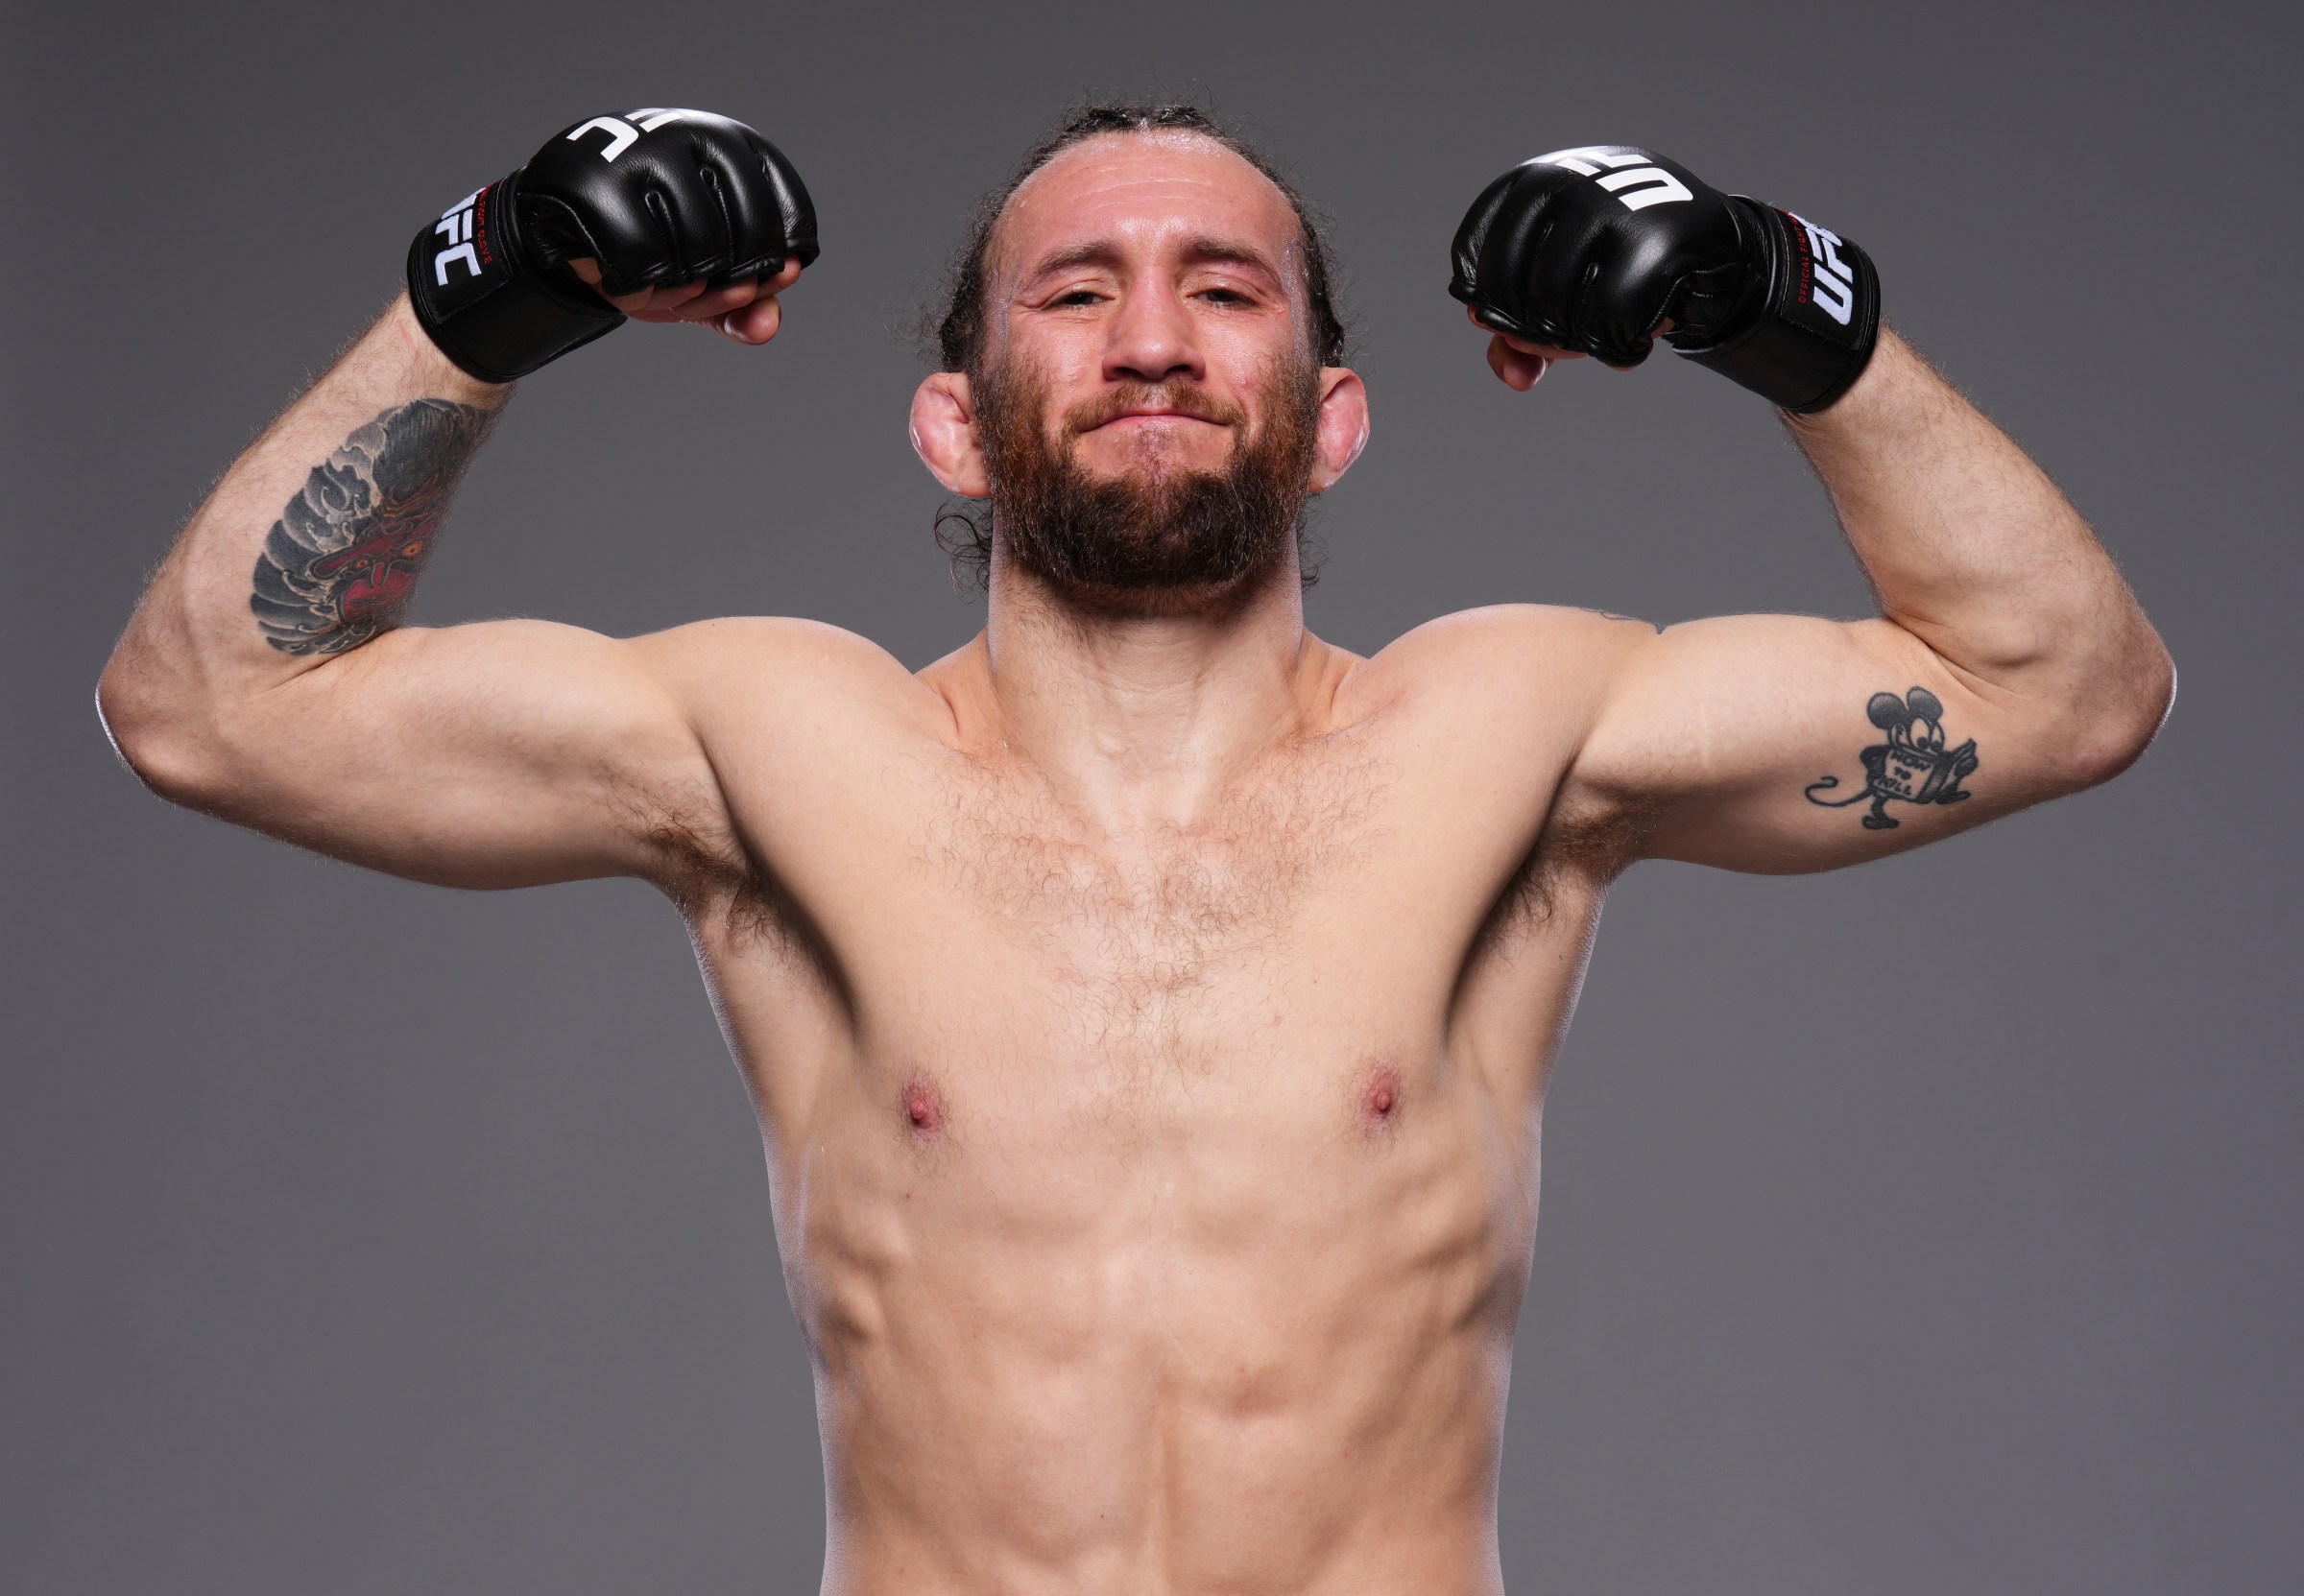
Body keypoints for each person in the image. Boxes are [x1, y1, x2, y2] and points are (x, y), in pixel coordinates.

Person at [97, 102, 2172, 1593]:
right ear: (961, 421)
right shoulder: (776, 745)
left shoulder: (1513, 730)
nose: (1155, 338)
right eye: (1077, 293)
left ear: (1336, 412)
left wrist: (1785, 305)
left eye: (1226, 288)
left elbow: (2069, 687)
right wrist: (486, 288)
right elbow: (204, 704)